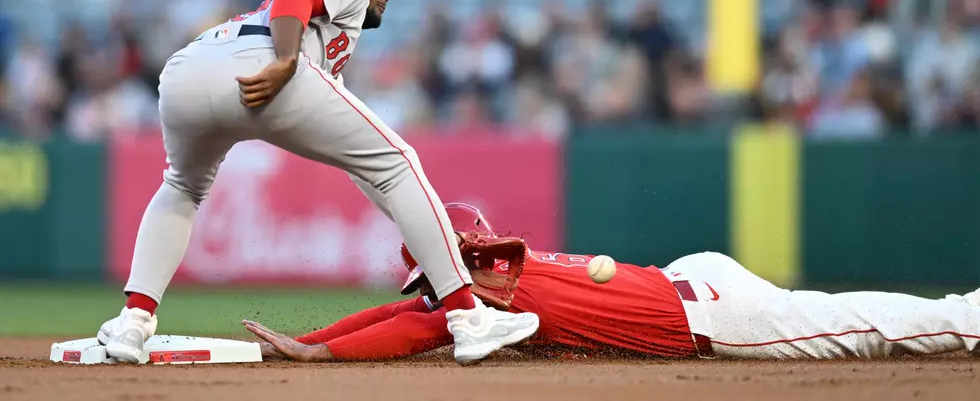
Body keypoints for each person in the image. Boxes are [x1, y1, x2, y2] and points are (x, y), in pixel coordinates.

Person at [96, 0, 539, 366]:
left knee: (182, 187)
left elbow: (368, 173)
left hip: (185, 75)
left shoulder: (323, 39)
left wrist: (426, 230)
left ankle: (133, 322)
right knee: (399, 162)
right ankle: (466, 316)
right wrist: (286, 59)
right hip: (266, 59)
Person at [245, 203, 980, 362]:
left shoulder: (488, 292)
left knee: (859, 327)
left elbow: (417, 325)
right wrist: (309, 339)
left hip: (715, 315)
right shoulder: (490, 277)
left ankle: (970, 318)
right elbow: (412, 310)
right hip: (685, 282)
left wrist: (317, 356)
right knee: (840, 312)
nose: (429, 285)